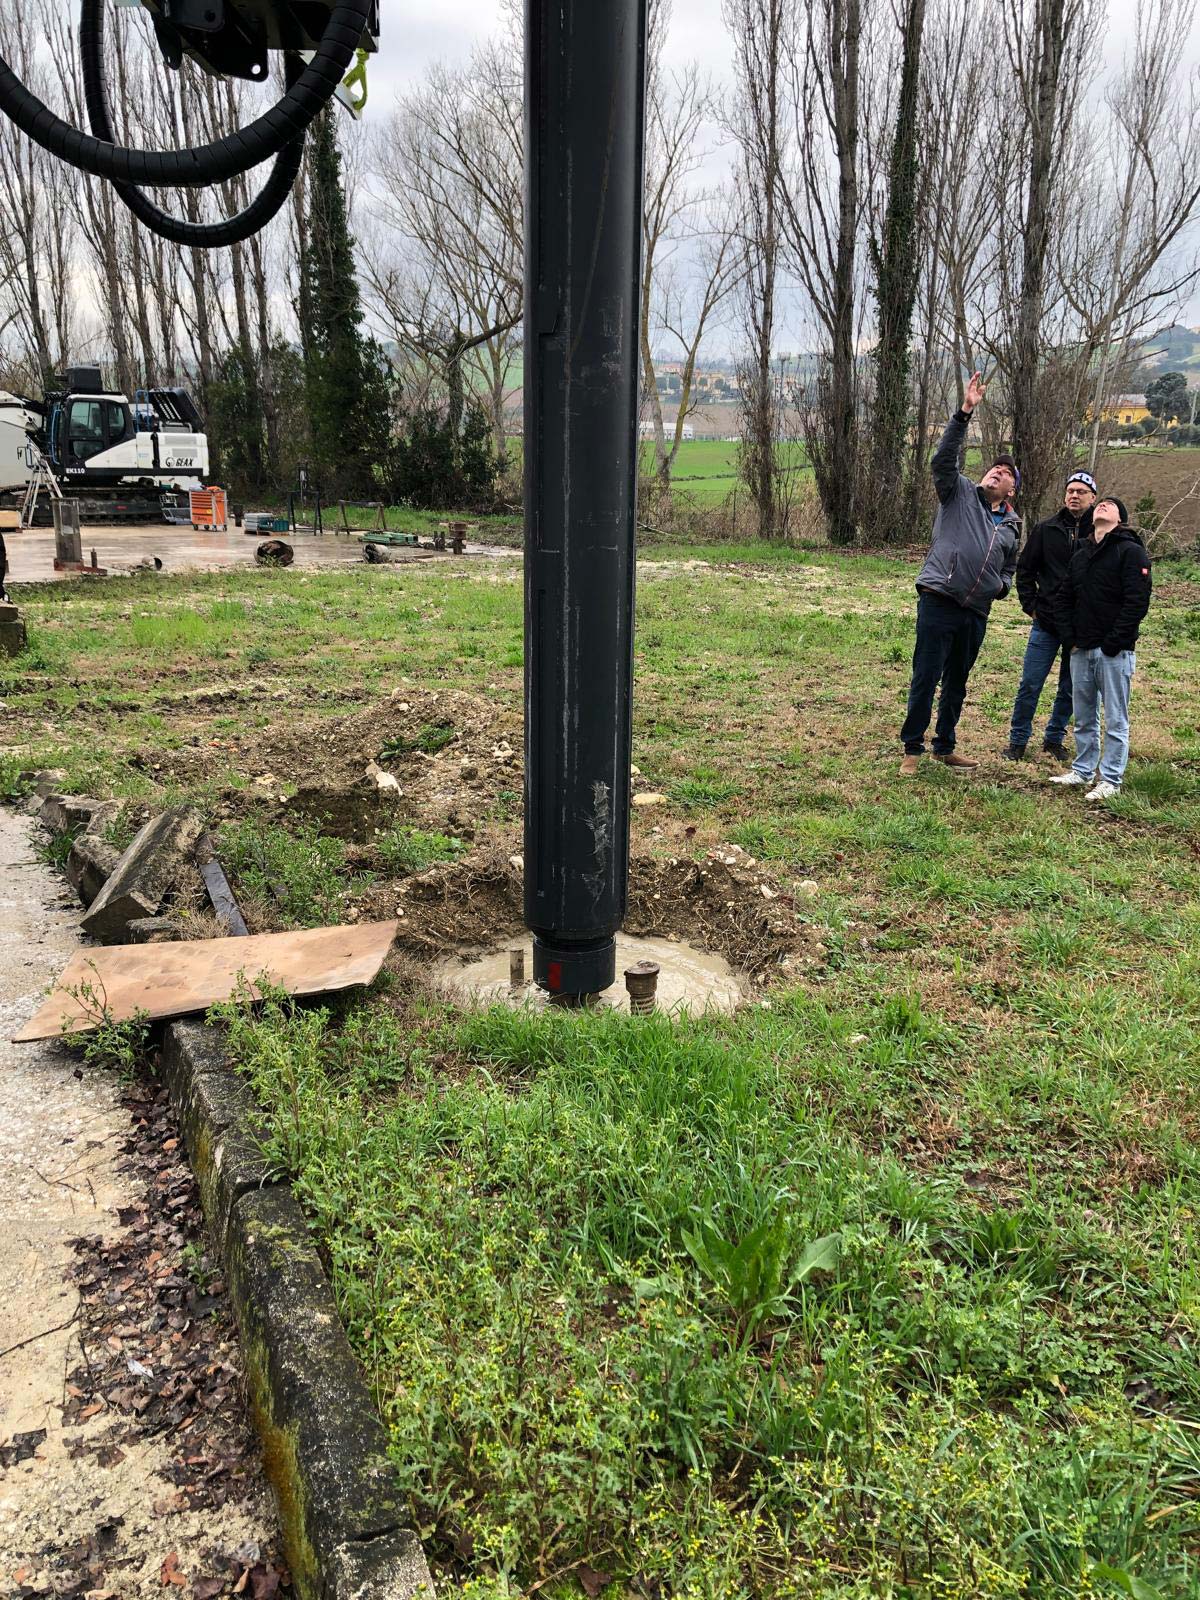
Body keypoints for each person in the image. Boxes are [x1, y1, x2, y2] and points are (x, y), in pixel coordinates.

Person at [899, 371, 1021, 776]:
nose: (996, 472)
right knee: (926, 676)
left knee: (957, 682)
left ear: (1011, 490)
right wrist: (965, 411)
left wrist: (1001, 586)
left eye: (1005, 473)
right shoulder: (958, 492)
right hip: (940, 599)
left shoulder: (1013, 525)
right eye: (994, 468)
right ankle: (912, 749)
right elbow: (942, 459)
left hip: (976, 612)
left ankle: (945, 746)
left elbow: (1009, 565)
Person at [1047, 495, 1151, 801]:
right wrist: (1070, 639)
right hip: (1080, 649)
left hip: (1115, 652)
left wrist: (1114, 642)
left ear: (1120, 519)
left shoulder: (1131, 552)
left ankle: (1110, 779)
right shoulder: (1081, 554)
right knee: (1083, 716)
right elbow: (1064, 598)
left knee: (1116, 718)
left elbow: (1137, 601)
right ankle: (1082, 771)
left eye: (1111, 504)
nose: (1103, 505)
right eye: (1101, 504)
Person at [1003, 471, 1096, 761]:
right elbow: (1025, 570)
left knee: (1070, 688)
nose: (1074, 496)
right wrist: (1031, 606)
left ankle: (1054, 739)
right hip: (1046, 622)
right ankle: (1017, 741)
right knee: (1030, 683)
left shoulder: (1100, 533)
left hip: (1081, 626)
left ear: (1093, 497)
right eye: (1070, 491)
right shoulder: (1047, 529)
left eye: (1081, 491)